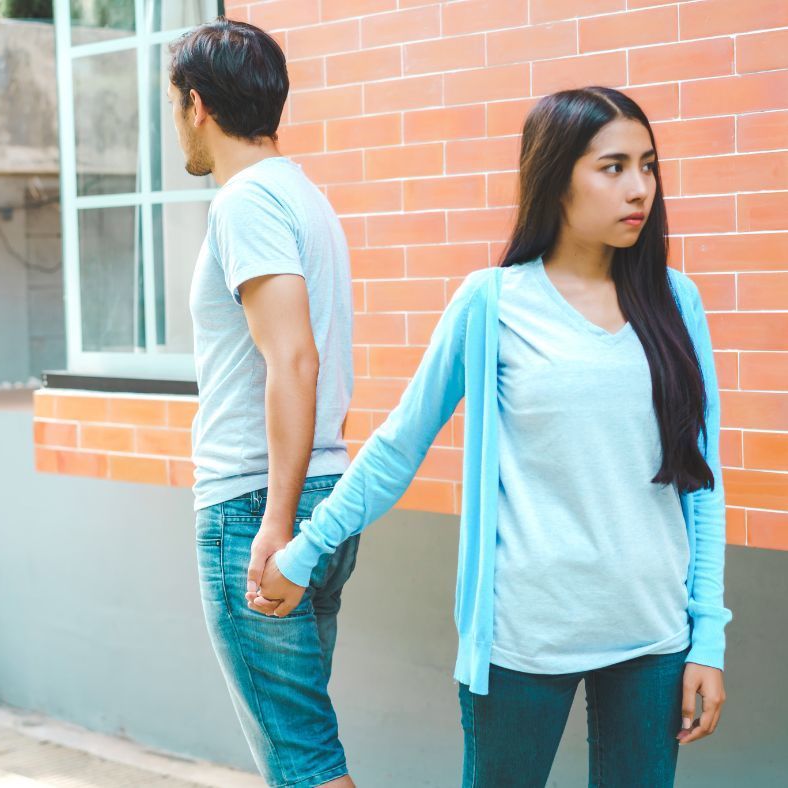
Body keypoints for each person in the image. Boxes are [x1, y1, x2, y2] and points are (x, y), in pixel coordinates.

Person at [251, 87, 732, 787]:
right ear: (556, 177)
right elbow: (398, 445)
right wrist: (308, 549)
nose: (641, 189)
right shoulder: (493, 302)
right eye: (614, 167)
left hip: (654, 638)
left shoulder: (675, 300)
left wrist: (707, 639)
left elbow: (702, 480)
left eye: (649, 166)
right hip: (522, 641)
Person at [168, 17, 360, 788]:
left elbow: (294, 359)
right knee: (305, 744)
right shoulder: (305, 197)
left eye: (173, 108)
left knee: (305, 763)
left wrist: (277, 524)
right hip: (320, 495)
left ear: (196, 105)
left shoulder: (245, 202)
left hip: (259, 507)